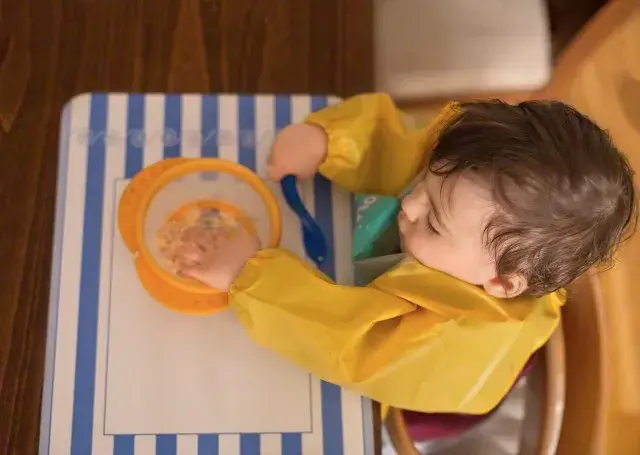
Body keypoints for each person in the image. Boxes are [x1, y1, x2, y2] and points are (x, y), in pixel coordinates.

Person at [176, 93, 637, 415]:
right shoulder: (474, 193)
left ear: (499, 281)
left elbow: (347, 344)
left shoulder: (455, 337)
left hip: (417, 391)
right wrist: (331, 142)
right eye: (423, 184)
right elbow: (408, 145)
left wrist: (248, 275)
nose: (409, 204)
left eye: (433, 221)